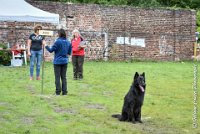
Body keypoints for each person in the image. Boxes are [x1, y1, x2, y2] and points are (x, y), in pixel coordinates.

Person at [45, 29, 72, 95]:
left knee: (57, 77)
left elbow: (51, 50)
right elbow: (69, 53)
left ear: (59, 34)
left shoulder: (57, 42)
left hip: (57, 62)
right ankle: (64, 92)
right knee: (64, 77)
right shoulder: (68, 42)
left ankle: (58, 92)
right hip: (65, 61)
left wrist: (45, 45)